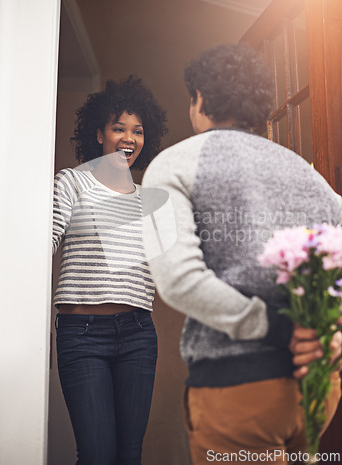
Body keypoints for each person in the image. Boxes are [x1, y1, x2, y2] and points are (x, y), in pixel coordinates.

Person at [141, 43, 342, 464]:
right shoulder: (310, 176)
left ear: (198, 100)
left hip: (239, 391)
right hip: (317, 391)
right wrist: (329, 333)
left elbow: (178, 281)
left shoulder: (170, 165)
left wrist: (278, 329)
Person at [52, 76, 167, 465]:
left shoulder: (151, 201)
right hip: (81, 336)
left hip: (137, 335)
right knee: (98, 454)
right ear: (99, 133)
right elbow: (42, 246)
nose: (128, 138)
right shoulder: (72, 183)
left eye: (137, 130)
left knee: (128, 455)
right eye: (119, 127)